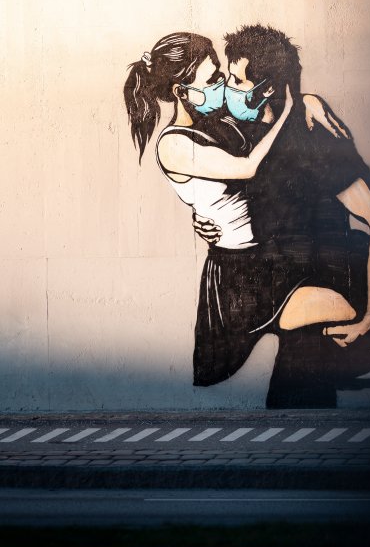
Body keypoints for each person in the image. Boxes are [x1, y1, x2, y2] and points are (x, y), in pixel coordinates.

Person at [194, 24, 370, 407]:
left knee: (294, 399)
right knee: (293, 406)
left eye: (237, 81)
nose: (228, 89)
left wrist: (369, 317)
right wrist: (207, 218)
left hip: (311, 299)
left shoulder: (313, 140)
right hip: (269, 293)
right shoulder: (239, 134)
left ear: (266, 89)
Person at [123, 30, 353, 392]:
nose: (222, 87)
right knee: (340, 308)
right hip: (237, 274)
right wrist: (291, 111)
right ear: (182, 92)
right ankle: (369, 367)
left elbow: (260, 111)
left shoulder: (216, 124)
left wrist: (308, 100)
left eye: (221, 75)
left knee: (336, 311)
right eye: (212, 80)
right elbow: (247, 167)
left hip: (265, 259)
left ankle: (358, 366)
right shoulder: (174, 145)